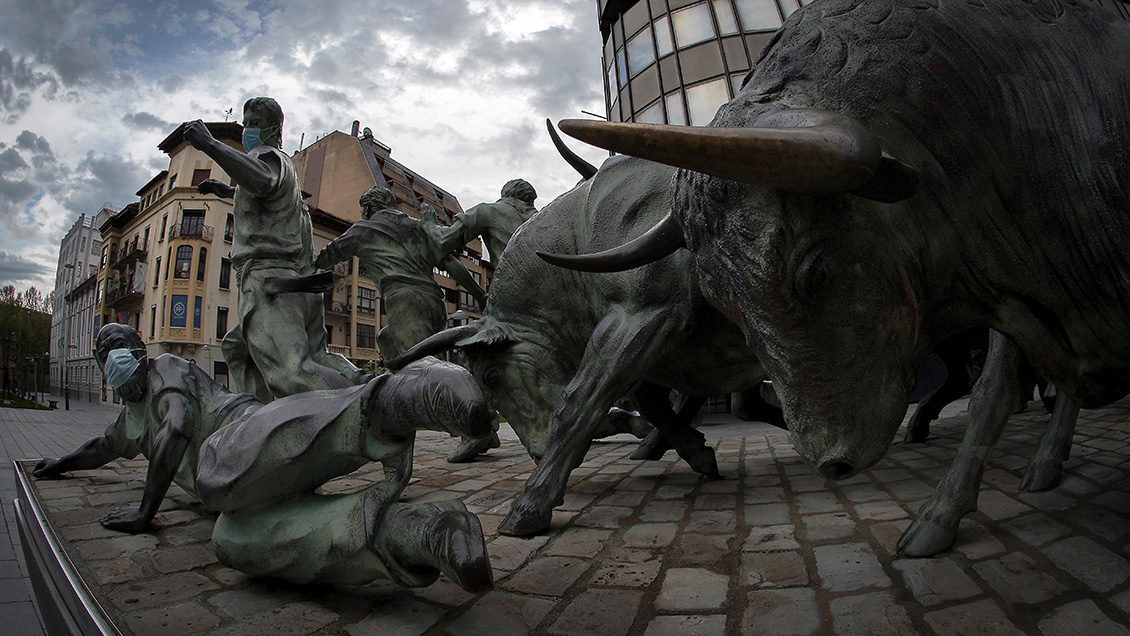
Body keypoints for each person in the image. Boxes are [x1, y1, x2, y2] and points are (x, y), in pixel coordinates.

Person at [34, 324, 494, 593]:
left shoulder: (166, 368)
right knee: (233, 540)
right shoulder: (129, 422)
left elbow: (175, 429)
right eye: (106, 356)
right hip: (239, 494)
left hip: (246, 435)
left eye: (126, 351)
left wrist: (144, 511)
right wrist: (56, 465)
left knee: (216, 468)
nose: (119, 361)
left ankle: (404, 397)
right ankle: (420, 534)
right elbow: (98, 448)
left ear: (140, 352)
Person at [184, 98, 364, 402]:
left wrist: (210, 145)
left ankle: (365, 414)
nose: (246, 130)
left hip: (270, 280)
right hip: (300, 283)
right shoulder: (287, 170)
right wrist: (228, 191)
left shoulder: (267, 156)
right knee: (238, 349)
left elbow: (264, 180)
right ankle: (358, 381)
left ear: (273, 129)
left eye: (253, 123)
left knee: (292, 373)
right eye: (245, 123)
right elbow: (268, 197)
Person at [314, 187, 485, 360]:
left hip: (404, 302)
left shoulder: (362, 229)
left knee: (426, 367)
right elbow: (450, 263)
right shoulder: (419, 226)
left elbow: (325, 257)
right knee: (387, 339)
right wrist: (479, 294)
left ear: (366, 209)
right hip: (434, 305)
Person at [423, 179, 538, 266]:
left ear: (505, 194)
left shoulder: (486, 211)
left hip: (514, 288)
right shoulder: (539, 219)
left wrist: (429, 224)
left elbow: (444, 241)